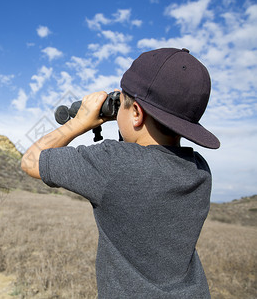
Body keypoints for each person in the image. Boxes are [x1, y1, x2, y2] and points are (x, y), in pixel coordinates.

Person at [21, 48, 219, 298]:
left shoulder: (113, 165)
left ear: (136, 113)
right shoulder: (200, 170)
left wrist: (80, 122)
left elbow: (30, 161)